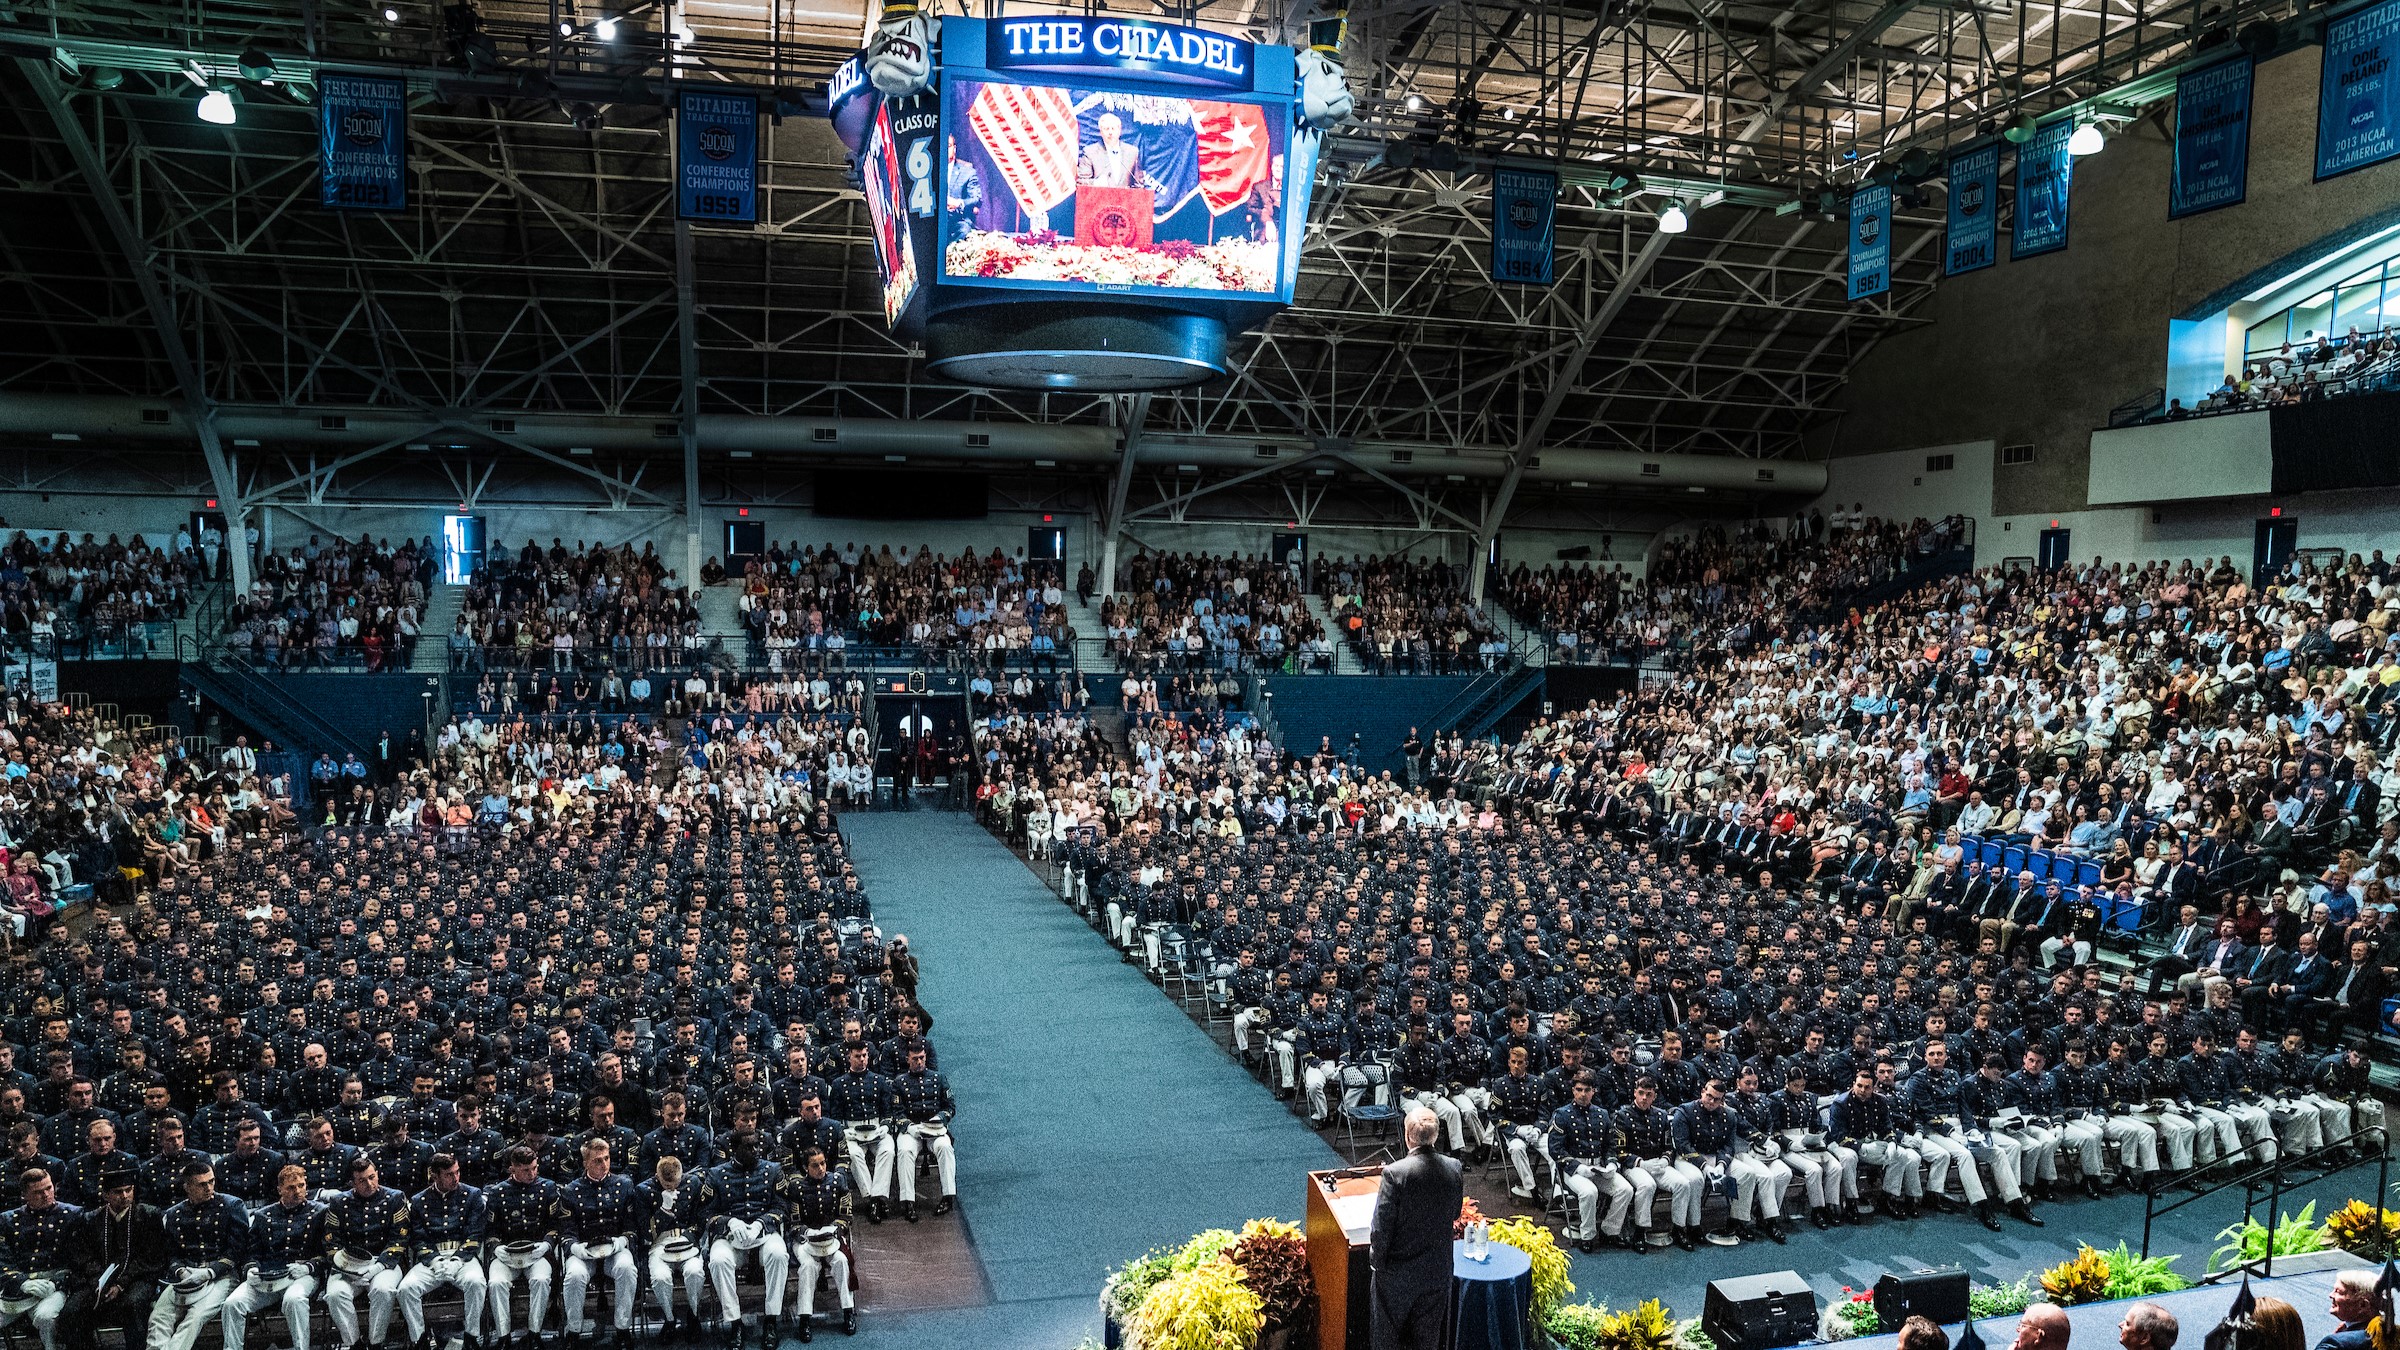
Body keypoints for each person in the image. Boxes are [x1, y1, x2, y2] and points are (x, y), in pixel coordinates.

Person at [1367, 1108, 1461, 1350]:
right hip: (1437, 1271)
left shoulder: (1395, 1173)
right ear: (1436, 1136)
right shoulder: (1454, 1167)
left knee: (1386, 1339)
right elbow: (1455, 1214)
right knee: (1427, 1340)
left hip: (1396, 1275)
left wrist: (1377, 1263)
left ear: (1408, 1135)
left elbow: (1381, 1228)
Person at [55, 1162, 165, 1350]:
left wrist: (121, 1283)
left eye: (128, 1190)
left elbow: (151, 1257)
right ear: (105, 1195)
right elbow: (83, 1257)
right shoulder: (90, 1219)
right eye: (117, 1192)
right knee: (72, 1311)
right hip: (97, 1280)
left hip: (136, 1277)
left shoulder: (148, 1215)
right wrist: (100, 1281)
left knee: (132, 1304)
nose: (124, 1196)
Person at [221, 1165, 323, 1350]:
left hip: (302, 1274)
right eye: (291, 1187)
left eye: (301, 1185)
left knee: (294, 1299)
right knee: (232, 1303)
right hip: (268, 1276)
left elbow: (326, 1252)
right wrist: (251, 1267)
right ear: (279, 1190)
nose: (298, 1191)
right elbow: (252, 1251)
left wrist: (309, 1267)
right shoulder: (263, 1215)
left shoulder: (319, 1212)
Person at [704, 1129, 788, 1350]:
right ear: (734, 1149)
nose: (755, 1150)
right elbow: (706, 1213)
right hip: (731, 1236)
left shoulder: (773, 1170)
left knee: (779, 1254)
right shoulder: (716, 1174)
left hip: (764, 1232)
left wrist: (762, 1222)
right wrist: (729, 1221)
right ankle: (735, 1322)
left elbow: (782, 1206)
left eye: (756, 1145)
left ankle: (771, 1320)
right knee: (719, 1260)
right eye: (748, 1146)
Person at [396, 1153, 486, 1350]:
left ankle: (471, 1336)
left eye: (457, 1172)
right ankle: (419, 1339)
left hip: (463, 1257)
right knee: (406, 1289)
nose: (455, 1178)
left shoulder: (472, 1195)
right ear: (435, 1176)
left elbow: (475, 1233)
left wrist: (457, 1260)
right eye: (448, 1174)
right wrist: (434, 1260)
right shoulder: (419, 1200)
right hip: (432, 1259)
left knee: (476, 1282)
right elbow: (418, 1237)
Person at [558, 1137, 639, 1347]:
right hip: (585, 1249)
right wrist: (575, 1247)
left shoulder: (624, 1185)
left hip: (615, 1247)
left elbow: (631, 1225)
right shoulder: (571, 1191)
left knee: (627, 1268)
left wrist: (622, 1241)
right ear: (585, 1163)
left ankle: (622, 1328)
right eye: (597, 1161)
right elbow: (567, 1231)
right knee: (574, 1275)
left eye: (607, 1158)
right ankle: (574, 1330)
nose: (603, 1164)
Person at [152, 1160, 242, 1350]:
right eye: (202, 1184)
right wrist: (180, 1271)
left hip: (221, 1275)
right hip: (185, 1277)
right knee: (158, 1318)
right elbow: (171, 1253)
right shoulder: (174, 1214)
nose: (208, 1188)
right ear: (187, 1187)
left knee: (195, 1317)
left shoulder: (231, 1206)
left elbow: (237, 1250)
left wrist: (210, 1272)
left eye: (211, 1182)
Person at [321, 1156, 407, 1350]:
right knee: (335, 1294)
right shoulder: (339, 1202)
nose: (369, 1184)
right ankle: (353, 1344)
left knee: (383, 1290)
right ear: (352, 1183)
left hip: (383, 1262)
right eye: (362, 1180)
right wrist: (346, 1267)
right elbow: (330, 1240)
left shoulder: (394, 1198)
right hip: (347, 1263)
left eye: (372, 1177)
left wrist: (378, 1266)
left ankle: (376, 1342)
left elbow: (399, 1238)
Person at [484, 1146, 560, 1346]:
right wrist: (496, 1247)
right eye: (526, 1170)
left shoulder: (548, 1188)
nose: (532, 1173)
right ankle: (503, 1336)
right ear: (513, 1169)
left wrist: (547, 1244)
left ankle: (535, 1332)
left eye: (535, 1168)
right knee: (496, 1283)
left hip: (537, 1251)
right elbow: (491, 1230)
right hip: (507, 1253)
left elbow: (555, 1224)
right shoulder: (497, 1193)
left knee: (541, 1280)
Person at [782, 1146, 857, 1342]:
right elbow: (794, 1222)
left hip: (832, 1237)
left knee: (841, 1261)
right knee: (808, 1267)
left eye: (823, 1163)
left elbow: (846, 1215)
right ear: (806, 1168)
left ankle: (848, 1310)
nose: (821, 1168)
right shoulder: (796, 1187)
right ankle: (805, 1318)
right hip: (806, 1240)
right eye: (815, 1166)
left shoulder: (838, 1181)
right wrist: (807, 1232)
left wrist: (834, 1229)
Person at [0, 1169, 77, 1350]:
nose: (46, 1195)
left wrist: (57, 1281)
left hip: (54, 1284)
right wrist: (20, 1281)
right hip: (18, 1287)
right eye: (38, 1192)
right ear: (24, 1195)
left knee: (46, 1316)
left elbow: (77, 1258)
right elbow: (2, 1259)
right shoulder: (7, 1220)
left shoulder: (72, 1215)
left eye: (49, 1188)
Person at [640, 1157, 707, 1341]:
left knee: (694, 1272)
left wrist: (690, 1237)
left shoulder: (693, 1184)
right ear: (657, 1176)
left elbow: (701, 1219)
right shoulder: (644, 1190)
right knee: (660, 1277)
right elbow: (646, 1234)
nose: (671, 1188)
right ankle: (669, 1319)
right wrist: (664, 1210)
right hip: (660, 1242)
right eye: (666, 1184)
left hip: (687, 1239)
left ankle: (694, 1315)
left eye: (675, 1184)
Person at [1075, 113, 1146, 191]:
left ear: (1119, 130)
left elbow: (1138, 186)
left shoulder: (1132, 152)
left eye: (1113, 128)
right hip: (1098, 200)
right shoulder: (1090, 152)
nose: (1110, 132)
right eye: (1106, 129)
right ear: (1101, 132)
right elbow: (1081, 182)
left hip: (1125, 201)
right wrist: (1095, 183)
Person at [2315, 1269, 2377, 1350]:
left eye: (2338, 1292)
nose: (2331, 1295)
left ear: (2362, 1305)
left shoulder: (2336, 1343)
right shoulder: (2391, 1336)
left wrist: (2340, 1337)